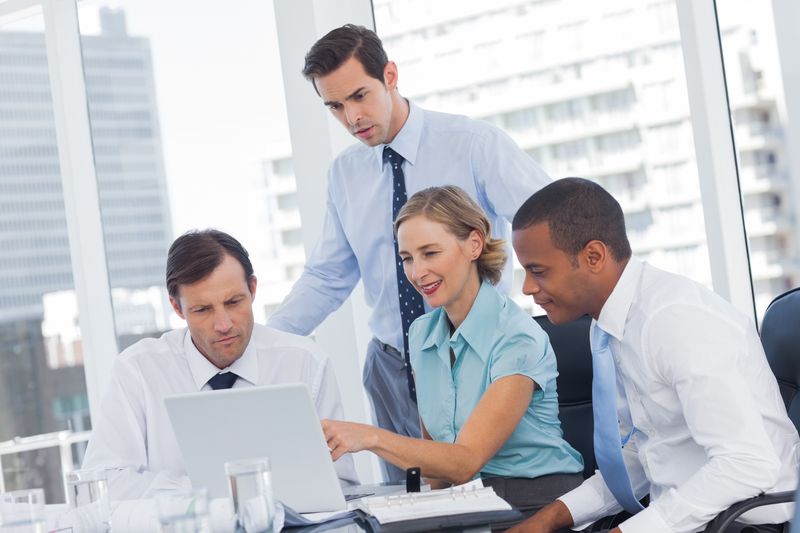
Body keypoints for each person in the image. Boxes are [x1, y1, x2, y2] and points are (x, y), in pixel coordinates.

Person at [266, 24, 550, 481]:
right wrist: (263, 344)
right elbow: (327, 278)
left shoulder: (473, 144)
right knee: (407, 509)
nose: (351, 117)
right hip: (391, 365)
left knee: (483, 494)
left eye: (360, 96)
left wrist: (550, 300)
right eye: (335, 106)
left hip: (473, 355)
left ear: (390, 76)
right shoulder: (345, 174)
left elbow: (547, 221)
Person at [508, 178, 799, 533]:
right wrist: (547, 519)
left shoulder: (673, 321)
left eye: (538, 270)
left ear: (594, 256)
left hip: (741, 523)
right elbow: (639, 455)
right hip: (689, 519)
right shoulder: (612, 326)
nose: (526, 287)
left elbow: (747, 463)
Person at [322, 186, 583, 517]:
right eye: (407, 258)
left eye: (430, 253)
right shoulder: (422, 334)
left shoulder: (517, 338)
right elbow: (436, 462)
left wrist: (370, 437)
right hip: (469, 499)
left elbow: (465, 460)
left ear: (474, 244)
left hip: (534, 500)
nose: (417, 272)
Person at [82, 229, 358, 499]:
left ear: (252, 289)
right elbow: (102, 484)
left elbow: (340, 485)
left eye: (234, 302)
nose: (224, 325)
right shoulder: (138, 371)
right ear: (177, 308)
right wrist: (206, 492)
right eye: (202, 310)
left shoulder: (307, 363)